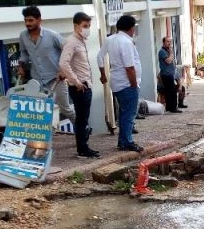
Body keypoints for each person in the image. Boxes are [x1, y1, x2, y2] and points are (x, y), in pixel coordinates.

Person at [18, 6, 76, 127]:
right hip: (37, 81)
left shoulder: (52, 35)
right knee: (42, 112)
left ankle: (82, 128)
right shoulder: (23, 36)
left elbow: (68, 49)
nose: (27, 23)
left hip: (56, 79)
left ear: (39, 20)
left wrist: (63, 70)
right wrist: (21, 66)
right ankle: (44, 143)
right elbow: (23, 53)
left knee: (65, 109)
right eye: (25, 20)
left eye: (31, 20)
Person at [97, 15, 142, 152]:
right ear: (131, 28)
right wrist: (134, 84)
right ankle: (127, 141)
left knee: (123, 113)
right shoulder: (126, 42)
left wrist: (103, 74)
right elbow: (129, 67)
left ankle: (123, 141)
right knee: (129, 114)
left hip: (116, 82)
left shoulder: (110, 39)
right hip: (127, 83)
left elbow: (99, 56)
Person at [59, 12, 99, 159]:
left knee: (83, 119)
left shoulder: (81, 41)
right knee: (82, 120)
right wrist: (76, 81)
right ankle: (83, 149)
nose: (87, 29)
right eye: (84, 26)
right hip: (79, 87)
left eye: (89, 26)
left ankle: (84, 147)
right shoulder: (72, 42)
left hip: (85, 85)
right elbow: (63, 63)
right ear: (76, 26)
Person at [157, 37, 181, 113]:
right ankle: (173, 108)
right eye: (167, 41)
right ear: (163, 42)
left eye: (170, 42)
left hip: (170, 74)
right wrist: (171, 53)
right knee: (172, 91)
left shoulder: (167, 51)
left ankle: (169, 107)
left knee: (169, 91)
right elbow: (168, 61)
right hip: (166, 74)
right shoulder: (162, 52)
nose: (169, 43)